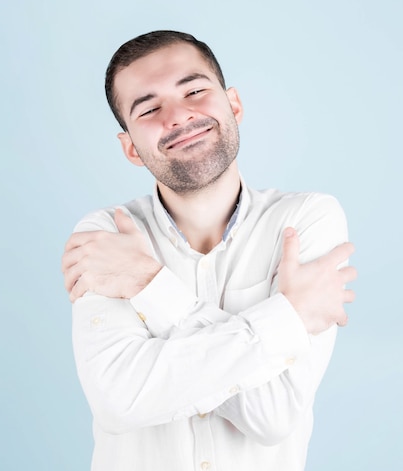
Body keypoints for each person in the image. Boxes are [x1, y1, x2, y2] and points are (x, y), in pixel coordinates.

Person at [61, 30, 357, 471]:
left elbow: (274, 416)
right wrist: (281, 323)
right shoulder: (105, 235)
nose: (178, 116)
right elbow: (119, 402)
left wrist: (149, 284)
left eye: (195, 91)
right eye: (150, 108)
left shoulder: (307, 219)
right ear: (130, 149)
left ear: (233, 105)